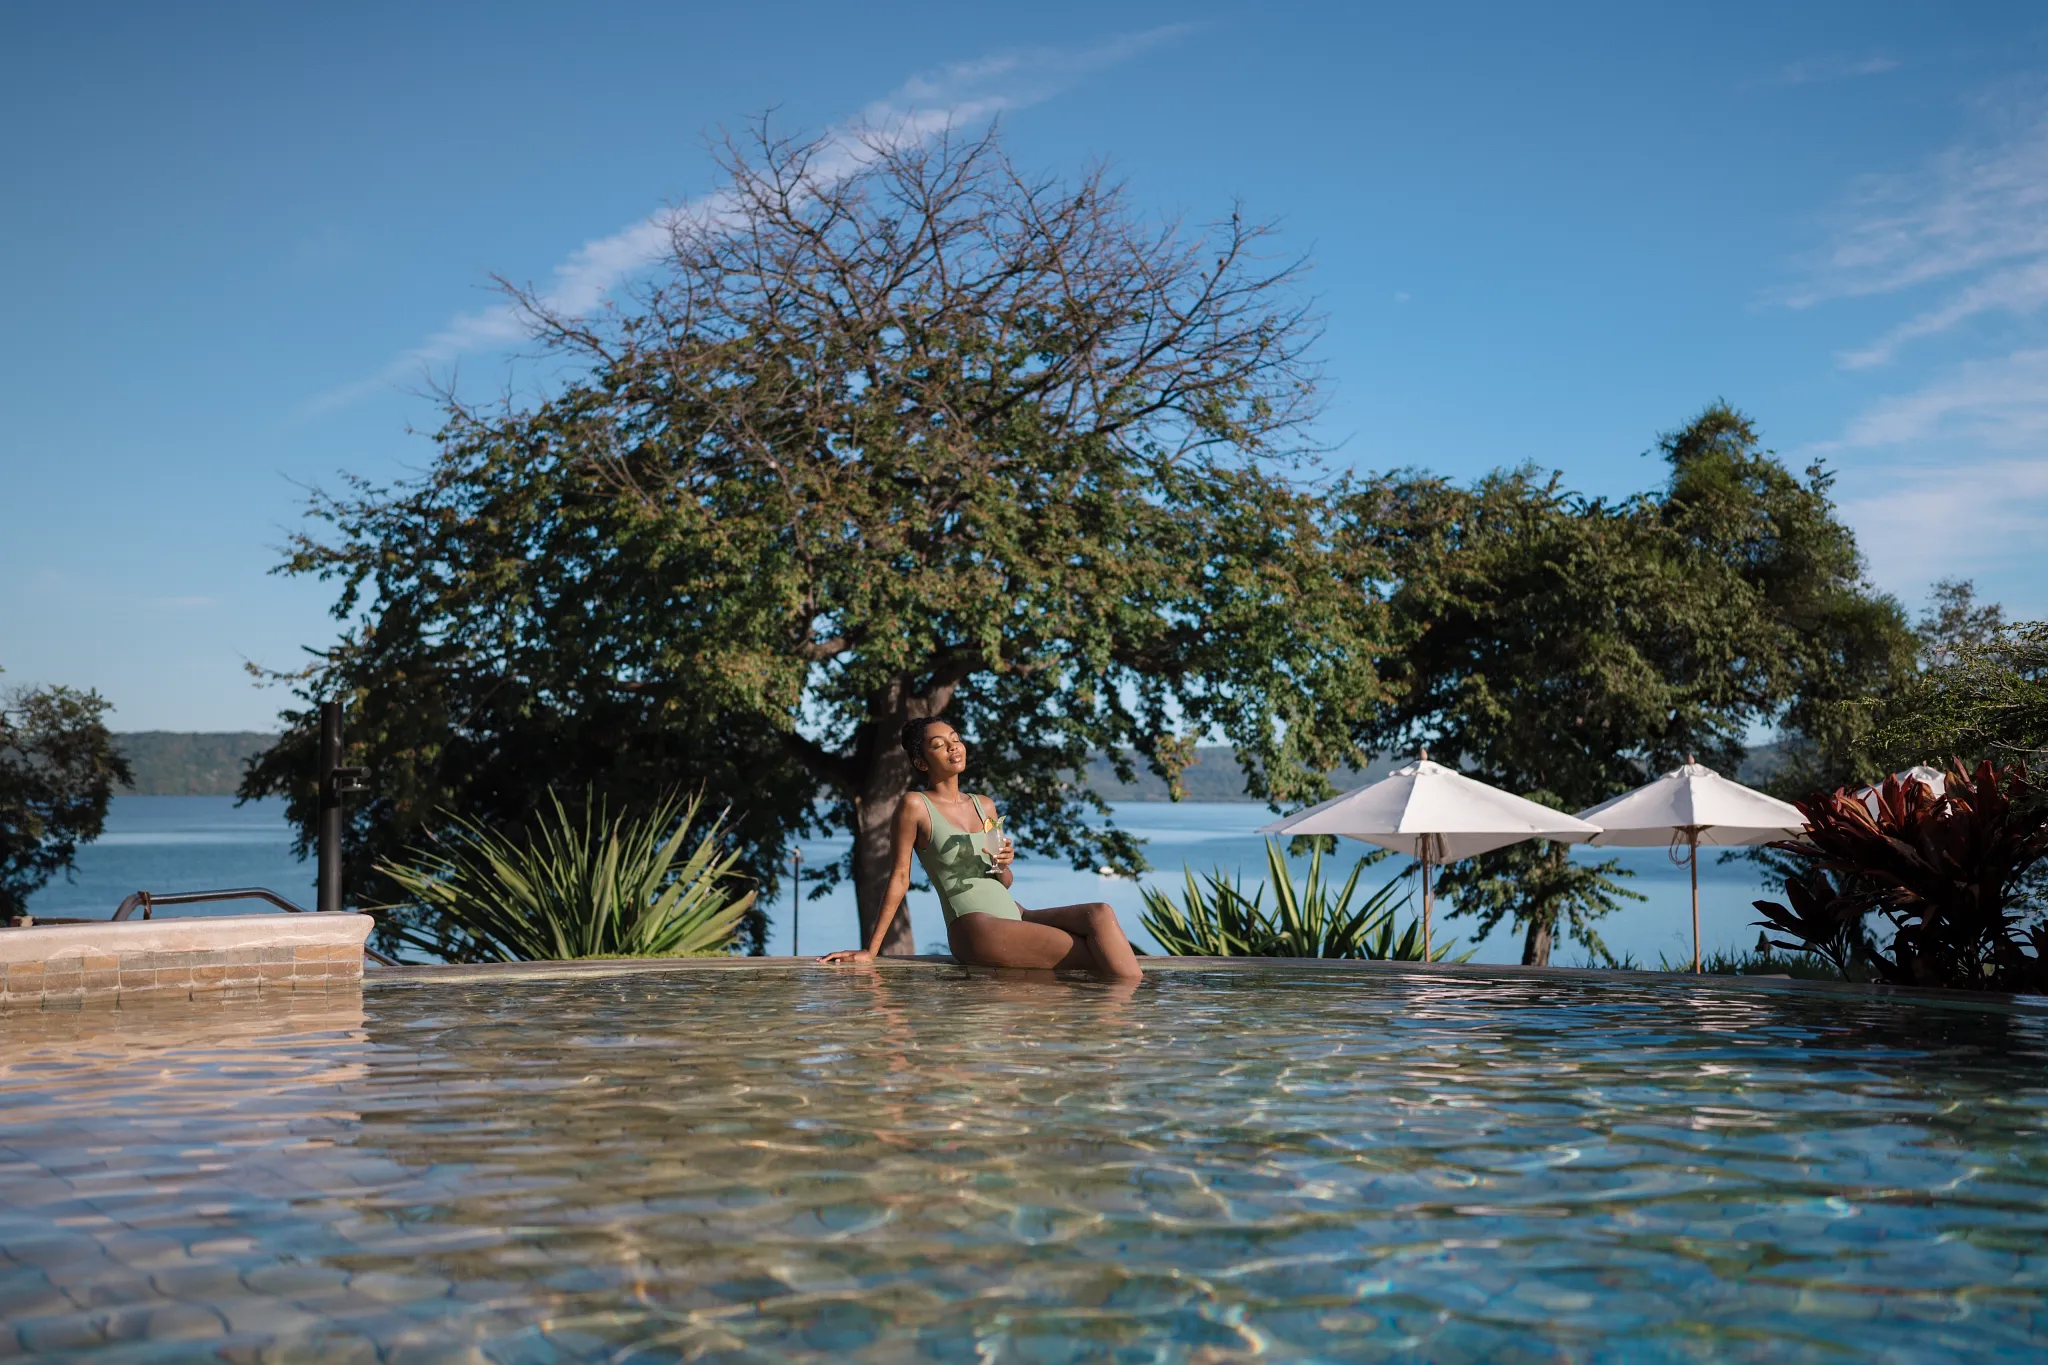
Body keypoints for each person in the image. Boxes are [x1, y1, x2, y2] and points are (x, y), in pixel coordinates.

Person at [820, 718, 1143, 981]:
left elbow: (1002, 880)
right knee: (1102, 955)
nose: (952, 747)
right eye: (938, 745)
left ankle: (1130, 1021)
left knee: (1100, 913)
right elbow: (900, 877)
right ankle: (1132, 1025)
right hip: (974, 925)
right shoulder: (915, 805)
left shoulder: (984, 806)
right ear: (921, 762)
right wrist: (871, 951)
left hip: (1015, 914)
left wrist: (1003, 863)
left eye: (955, 738)